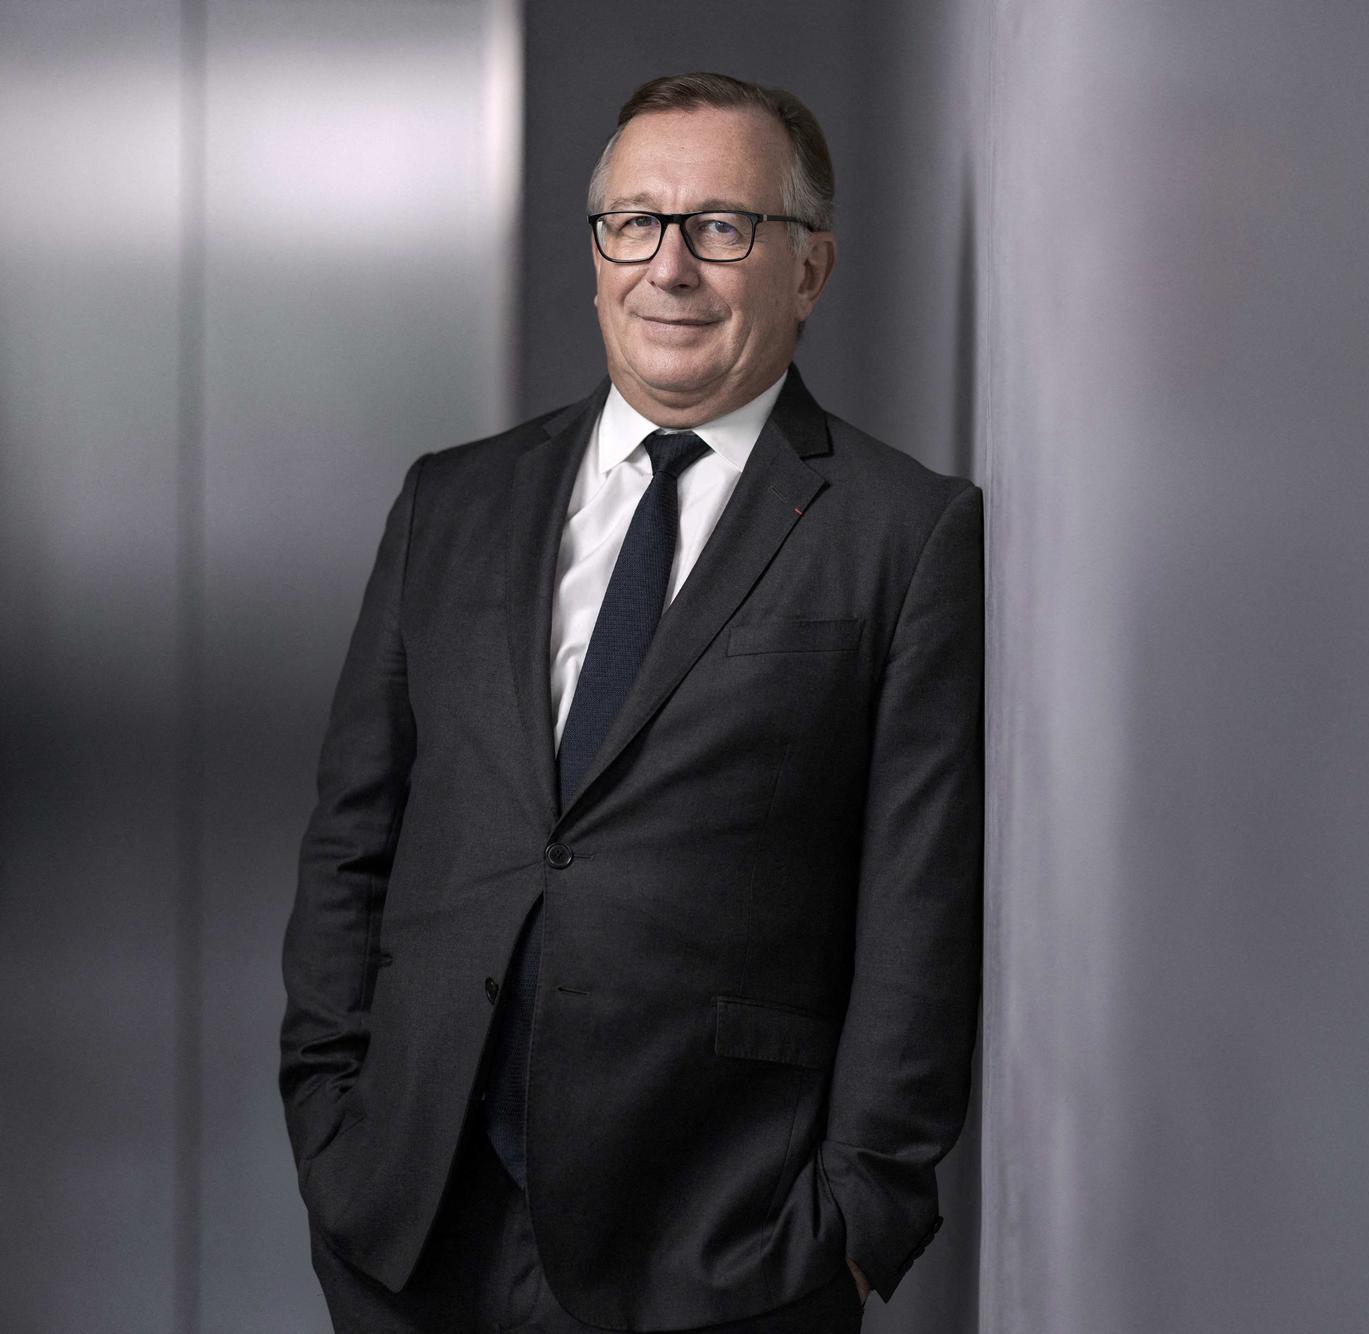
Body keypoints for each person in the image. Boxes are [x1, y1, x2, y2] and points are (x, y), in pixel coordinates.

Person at [278, 71, 983, 1333]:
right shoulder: (452, 501)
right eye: (634, 222)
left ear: (806, 270)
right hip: (413, 1229)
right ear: (597, 252)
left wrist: (860, 1220)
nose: (671, 266)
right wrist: (332, 1127)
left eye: (722, 225)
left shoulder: (903, 535)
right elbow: (353, 838)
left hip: (715, 1251)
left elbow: (917, 902)